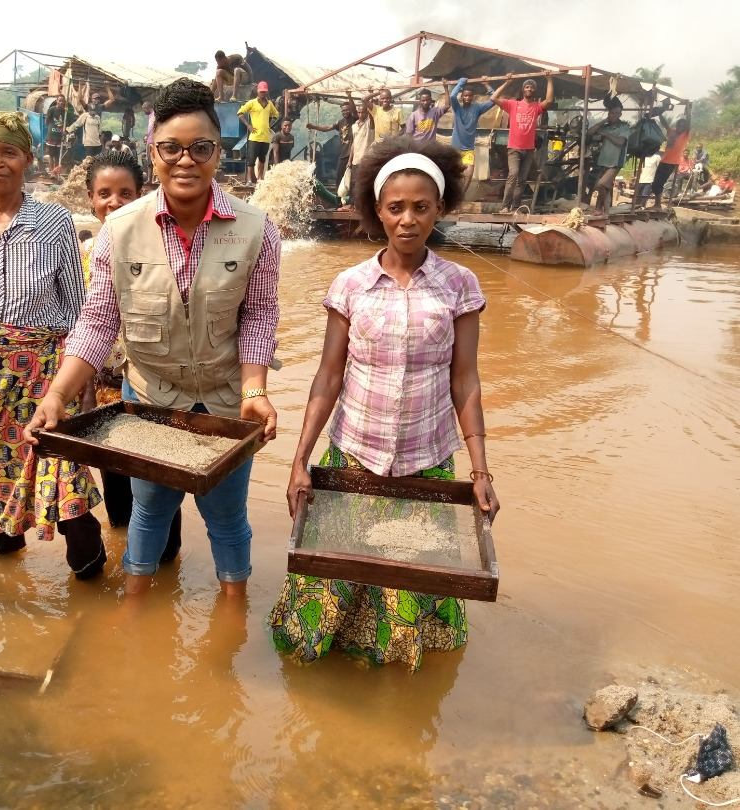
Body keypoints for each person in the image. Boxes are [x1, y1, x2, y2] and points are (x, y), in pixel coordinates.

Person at [24, 78, 281, 597]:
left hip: (228, 403)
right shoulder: (118, 230)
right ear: (153, 152)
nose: (186, 161)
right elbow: (98, 322)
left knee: (228, 517)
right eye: (171, 148)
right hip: (152, 397)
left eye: (201, 148)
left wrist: (255, 391)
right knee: (149, 511)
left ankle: (233, 612)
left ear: (219, 152)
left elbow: (258, 316)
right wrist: (54, 395)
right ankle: (135, 612)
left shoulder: (258, 230)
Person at [270, 135, 499, 668]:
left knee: (408, 585)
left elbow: (465, 380)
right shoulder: (351, 285)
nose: (409, 220)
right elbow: (328, 376)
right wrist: (299, 460)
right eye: (396, 208)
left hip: (426, 464)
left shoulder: (458, 285)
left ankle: (397, 684)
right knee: (333, 581)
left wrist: (482, 469)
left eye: (422, 207)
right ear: (378, 211)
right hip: (354, 456)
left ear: (439, 209)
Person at [0, 111, 105, 579]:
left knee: (66, 479)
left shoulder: (53, 222)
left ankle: (91, 583)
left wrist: (82, 387)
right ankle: (4, 584)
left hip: (47, 375)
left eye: (8, 152)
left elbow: (79, 310)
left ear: (27, 160)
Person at [80, 150, 185, 560]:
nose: (114, 202)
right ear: (91, 198)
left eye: (125, 192)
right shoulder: (85, 253)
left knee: (158, 476)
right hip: (104, 386)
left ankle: (166, 557)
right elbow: (82, 322)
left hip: (151, 383)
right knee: (117, 486)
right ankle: (126, 550)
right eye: (104, 193)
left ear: (141, 194)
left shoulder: (162, 247)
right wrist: (84, 389)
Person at [492, 73, 554, 213]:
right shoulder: (513, 105)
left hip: (529, 149)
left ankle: (515, 207)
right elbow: (493, 98)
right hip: (514, 147)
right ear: (523, 90)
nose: (529, 89)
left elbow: (549, 100)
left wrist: (549, 79)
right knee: (513, 174)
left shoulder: (536, 107)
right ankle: (504, 207)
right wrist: (507, 82)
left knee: (522, 179)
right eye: (526, 86)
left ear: (534, 91)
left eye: (532, 87)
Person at [586, 97, 631, 213]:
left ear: (620, 114)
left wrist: (606, 135)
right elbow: (589, 132)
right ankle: (603, 210)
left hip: (615, 162)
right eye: (612, 113)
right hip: (603, 161)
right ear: (609, 113)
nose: (615, 115)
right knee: (603, 186)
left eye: (617, 113)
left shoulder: (624, 127)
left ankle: (600, 209)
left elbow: (620, 142)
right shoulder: (606, 126)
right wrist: (603, 121)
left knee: (601, 184)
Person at [448, 77, 494, 180]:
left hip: (468, 148)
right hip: (455, 148)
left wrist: (486, 85)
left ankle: (463, 193)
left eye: (469, 96)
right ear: (462, 96)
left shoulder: (477, 108)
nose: (467, 98)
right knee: (453, 173)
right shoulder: (457, 108)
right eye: (465, 95)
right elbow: (452, 96)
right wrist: (461, 83)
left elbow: (493, 99)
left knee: (469, 173)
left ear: (473, 97)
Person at [306, 101, 355, 194]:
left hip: (353, 154)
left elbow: (355, 110)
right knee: (339, 177)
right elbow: (328, 128)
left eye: (347, 110)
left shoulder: (355, 120)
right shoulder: (340, 122)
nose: (345, 112)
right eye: (343, 110)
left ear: (351, 110)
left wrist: (349, 96)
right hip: (343, 154)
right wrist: (313, 127)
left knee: (352, 178)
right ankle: (338, 199)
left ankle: (351, 201)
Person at [238, 82, 279, 185]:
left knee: (262, 159)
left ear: (267, 91)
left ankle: (260, 179)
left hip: (265, 137)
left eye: (264, 91)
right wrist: (248, 125)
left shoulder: (269, 104)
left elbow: (276, 115)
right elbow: (240, 113)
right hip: (254, 137)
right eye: (261, 91)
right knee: (251, 161)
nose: (263, 93)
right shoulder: (252, 103)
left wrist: (269, 124)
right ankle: (250, 180)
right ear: (258, 91)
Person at [649, 117, 690, 208]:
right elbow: (665, 124)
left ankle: (658, 205)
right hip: (664, 160)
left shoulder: (685, 135)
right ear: (677, 125)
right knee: (656, 183)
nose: (680, 127)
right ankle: (657, 204)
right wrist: (660, 114)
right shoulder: (672, 131)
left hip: (671, 162)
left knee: (658, 184)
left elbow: (689, 123)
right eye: (679, 125)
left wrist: (688, 111)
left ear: (685, 128)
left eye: (682, 126)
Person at [44, 95, 67, 172]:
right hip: (51, 136)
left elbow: (65, 124)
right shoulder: (51, 109)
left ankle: (55, 171)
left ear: (64, 102)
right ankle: (51, 171)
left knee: (57, 156)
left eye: (62, 101)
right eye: (59, 100)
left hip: (60, 137)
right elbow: (46, 122)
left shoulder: (65, 112)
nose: (61, 102)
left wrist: (63, 132)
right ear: (57, 101)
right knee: (51, 155)